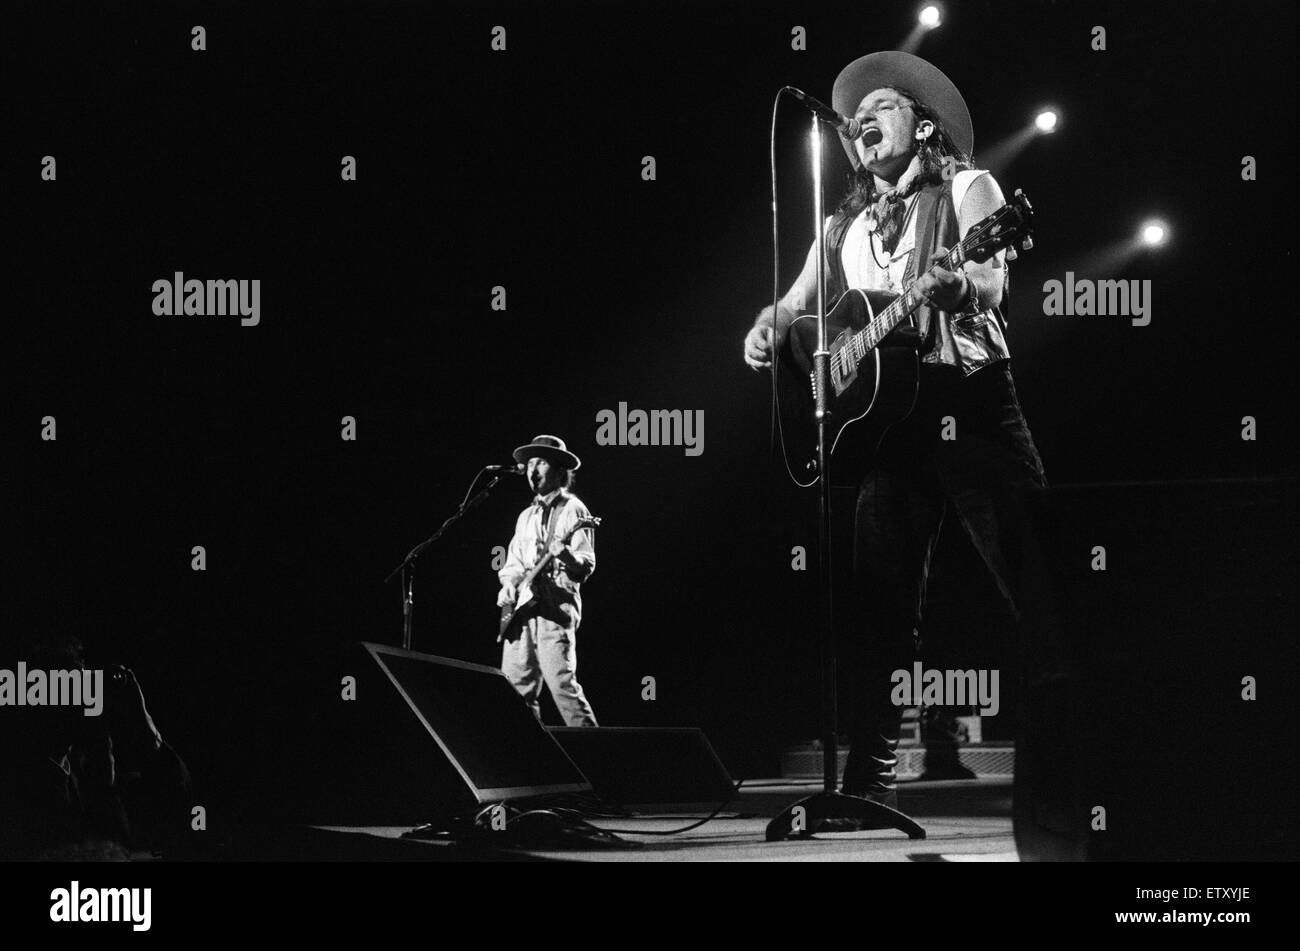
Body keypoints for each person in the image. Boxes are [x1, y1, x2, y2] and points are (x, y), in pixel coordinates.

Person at [743, 52, 1046, 810]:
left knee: (1038, 573)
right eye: (856, 115)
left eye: (882, 104)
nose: (862, 120)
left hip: (970, 402)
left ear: (923, 122)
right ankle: (867, 785)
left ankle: (1094, 747)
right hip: (889, 428)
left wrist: (960, 282)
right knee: (877, 609)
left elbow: (991, 278)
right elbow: (792, 307)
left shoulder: (970, 186)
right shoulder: (839, 222)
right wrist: (766, 327)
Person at [497, 435, 599, 726]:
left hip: (555, 608)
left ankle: (598, 759)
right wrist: (508, 585)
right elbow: (514, 563)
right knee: (516, 689)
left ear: (559, 470)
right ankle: (529, 757)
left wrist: (565, 555)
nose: (533, 470)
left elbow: (585, 566)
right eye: (529, 463)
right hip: (523, 609)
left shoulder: (573, 509)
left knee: (562, 685)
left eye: (540, 462)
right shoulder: (526, 516)